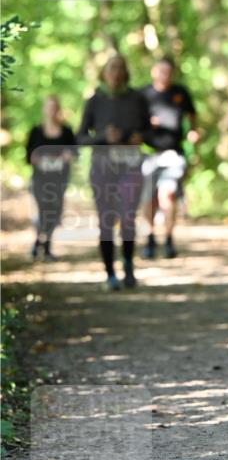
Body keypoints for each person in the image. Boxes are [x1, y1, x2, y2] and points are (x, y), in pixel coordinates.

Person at [77, 53, 151, 290]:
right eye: (111, 68)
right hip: (102, 167)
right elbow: (79, 137)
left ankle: (128, 265)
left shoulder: (137, 98)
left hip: (130, 166)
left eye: (120, 68)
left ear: (126, 72)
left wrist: (141, 136)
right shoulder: (95, 100)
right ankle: (110, 273)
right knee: (106, 220)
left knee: (128, 216)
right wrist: (102, 137)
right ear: (104, 73)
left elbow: (150, 130)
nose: (116, 73)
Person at [139, 56, 199, 259]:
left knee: (168, 195)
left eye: (169, 71)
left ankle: (168, 238)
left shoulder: (180, 93)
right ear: (153, 71)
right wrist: (146, 124)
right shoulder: (143, 94)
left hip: (174, 152)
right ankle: (149, 238)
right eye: (161, 70)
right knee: (149, 198)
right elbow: (133, 120)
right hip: (148, 153)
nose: (165, 75)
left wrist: (192, 131)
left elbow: (192, 114)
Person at [26, 96, 76, 261]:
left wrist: (68, 156)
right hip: (39, 179)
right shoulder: (36, 131)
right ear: (44, 109)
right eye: (49, 107)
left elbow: (74, 152)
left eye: (55, 107)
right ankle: (41, 243)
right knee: (41, 211)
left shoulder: (67, 131)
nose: (52, 110)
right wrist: (37, 158)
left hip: (59, 180)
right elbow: (28, 155)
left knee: (55, 212)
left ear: (58, 110)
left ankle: (43, 244)